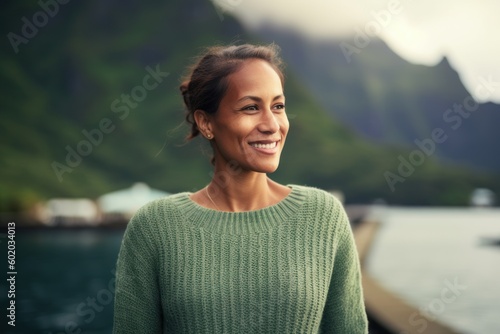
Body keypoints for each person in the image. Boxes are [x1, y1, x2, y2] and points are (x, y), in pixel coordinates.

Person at [112, 43, 368, 333]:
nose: (272, 124)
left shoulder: (323, 216)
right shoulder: (154, 227)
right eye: (250, 108)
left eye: (278, 106)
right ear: (206, 123)